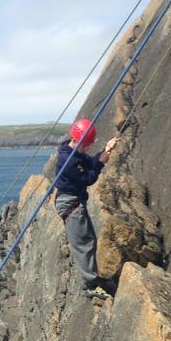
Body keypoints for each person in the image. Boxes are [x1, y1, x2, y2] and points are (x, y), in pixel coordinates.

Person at [53, 118, 120, 300]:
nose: (88, 149)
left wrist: (105, 151)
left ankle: (94, 279)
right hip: (70, 204)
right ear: (78, 141)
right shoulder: (68, 160)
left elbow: (89, 161)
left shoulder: (72, 151)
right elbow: (88, 178)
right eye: (86, 145)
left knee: (89, 239)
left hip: (72, 202)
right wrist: (101, 163)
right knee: (84, 244)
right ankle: (91, 285)